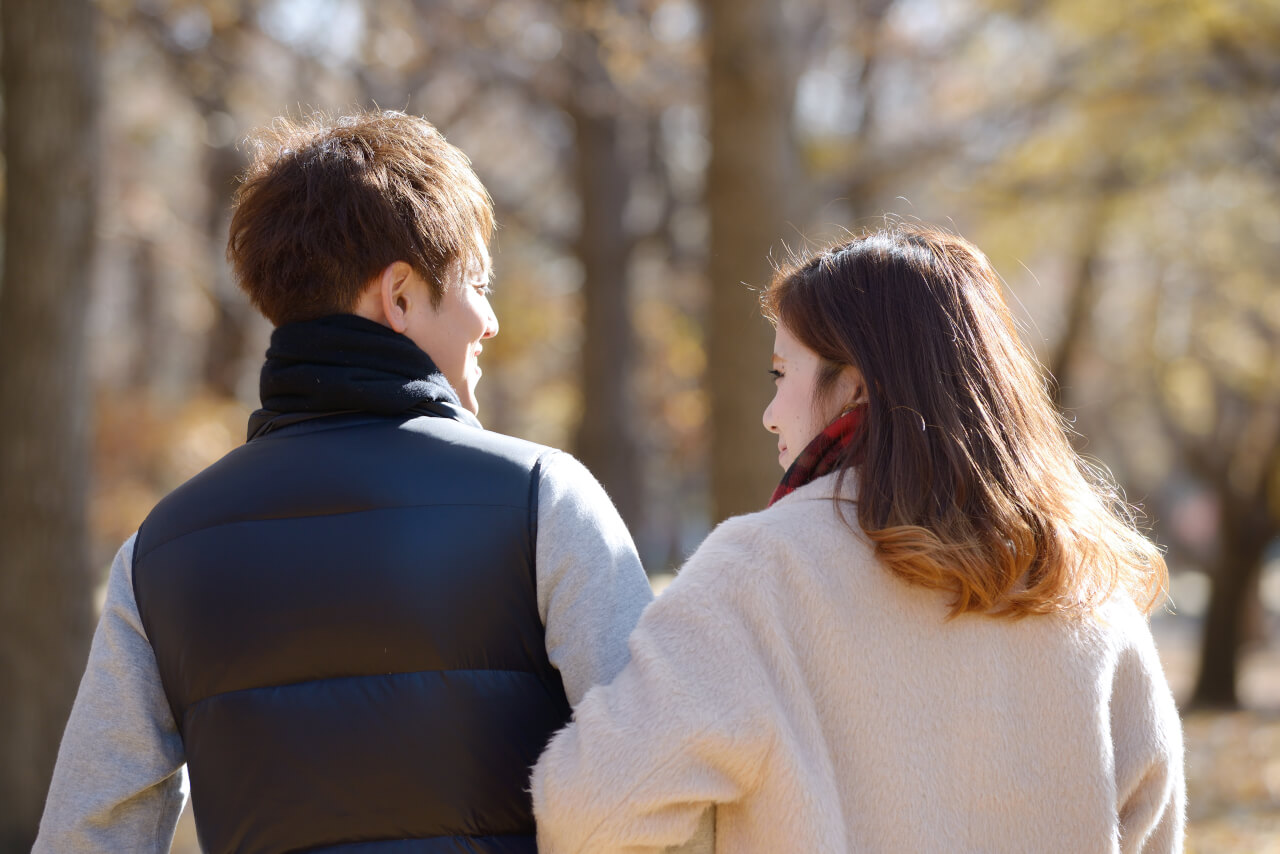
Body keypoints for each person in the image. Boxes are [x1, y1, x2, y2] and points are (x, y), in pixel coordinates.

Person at [35, 109, 655, 853]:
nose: (489, 321)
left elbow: (88, 830)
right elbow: (653, 791)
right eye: (478, 284)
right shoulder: (542, 499)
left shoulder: (160, 550)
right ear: (398, 294)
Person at [532, 224, 1186, 853]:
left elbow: (591, 814)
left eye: (781, 374)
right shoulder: (1090, 590)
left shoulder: (762, 573)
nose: (769, 414)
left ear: (855, 386)